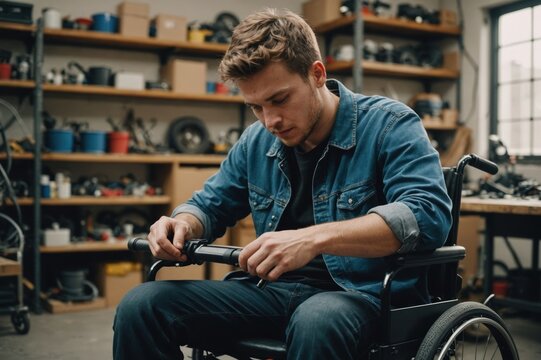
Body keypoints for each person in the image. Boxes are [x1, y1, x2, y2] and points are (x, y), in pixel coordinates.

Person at [113, 8, 452, 360]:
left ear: (317, 74)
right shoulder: (255, 141)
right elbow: (211, 204)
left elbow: (426, 215)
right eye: (256, 107)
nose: (270, 120)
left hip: (365, 297)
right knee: (143, 305)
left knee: (317, 318)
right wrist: (181, 223)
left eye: (279, 99)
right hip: (271, 292)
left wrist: (313, 239)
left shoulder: (390, 125)